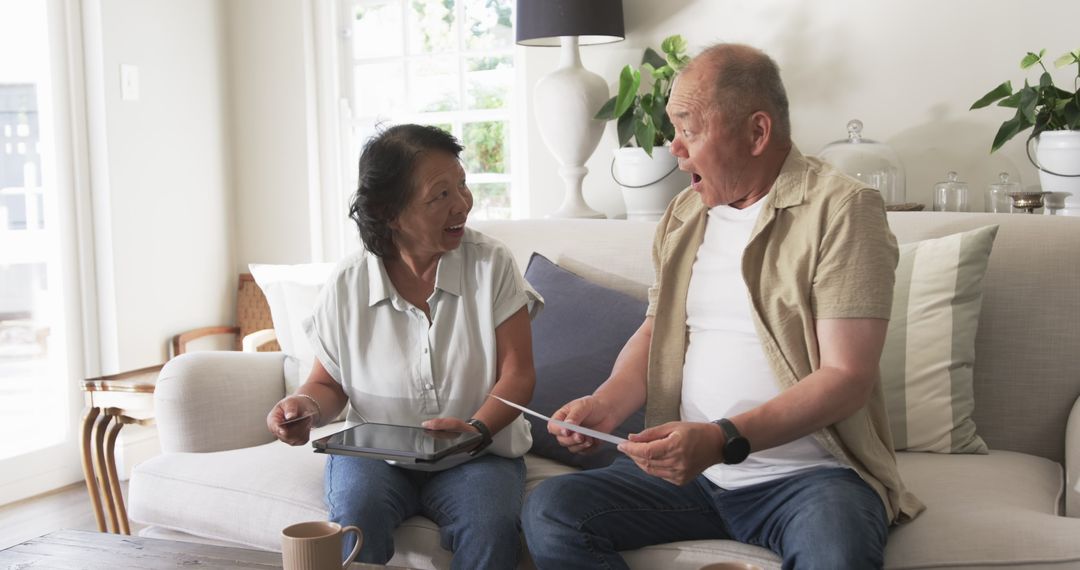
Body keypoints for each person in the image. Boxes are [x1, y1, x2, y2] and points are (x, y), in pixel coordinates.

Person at [522, 43, 924, 569]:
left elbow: (847, 376)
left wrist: (721, 439)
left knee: (837, 555)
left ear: (757, 132)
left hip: (810, 479)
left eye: (689, 129)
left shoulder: (843, 209)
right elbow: (657, 330)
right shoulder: (686, 212)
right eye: (674, 129)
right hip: (692, 478)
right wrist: (606, 403)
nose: (674, 148)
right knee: (552, 511)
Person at [266, 124, 540, 569]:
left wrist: (477, 429)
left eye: (462, 185)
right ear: (388, 212)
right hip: (375, 456)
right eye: (440, 196)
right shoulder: (348, 281)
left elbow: (519, 374)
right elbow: (326, 383)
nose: (463, 204)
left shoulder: (492, 264)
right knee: (357, 511)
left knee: (488, 524)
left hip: (478, 454)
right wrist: (304, 408)